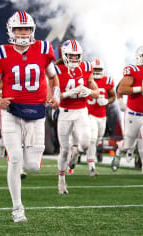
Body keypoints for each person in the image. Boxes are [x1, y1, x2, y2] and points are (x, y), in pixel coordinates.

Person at [0, 11, 59, 222]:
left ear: (32, 30)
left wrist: (56, 97)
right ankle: (18, 209)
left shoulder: (44, 49)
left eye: (26, 28)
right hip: (12, 111)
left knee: (33, 166)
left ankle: (21, 151)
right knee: (15, 160)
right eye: (19, 28)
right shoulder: (1, 53)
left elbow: (54, 78)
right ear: (11, 31)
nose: (23, 32)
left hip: (37, 112)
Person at [110, 45, 143, 185]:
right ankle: (119, 151)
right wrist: (140, 88)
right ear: (138, 57)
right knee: (128, 144)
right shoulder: (133, 70)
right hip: (133, 115)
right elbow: (121, 89)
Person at [55, 39, 99, 194]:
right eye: (71, 56)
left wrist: (90, 92)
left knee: (86, 144)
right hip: (65, 112)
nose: (74, 59)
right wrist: (69, 93)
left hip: (81, 111)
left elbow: (96, 90)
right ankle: (61, 181)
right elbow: (53, 98)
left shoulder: (86, 66)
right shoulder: (56, 69)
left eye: (76, 56)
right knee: (64, 150)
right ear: (65, 55)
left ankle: (76, 155)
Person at [85, 59, 116, 176]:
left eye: (99, 69)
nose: (97, 72)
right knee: (92, 140)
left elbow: (113, 96)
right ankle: (92, 167)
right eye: (95, 69)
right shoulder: (86, 80)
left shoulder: (107, 81)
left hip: (102, 116)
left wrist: (107, 101)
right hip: (89, 115)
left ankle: (76, 153)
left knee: (97, 140)